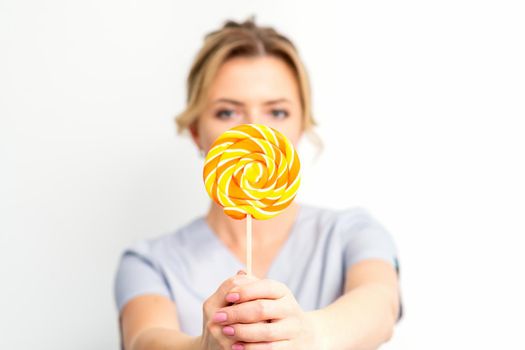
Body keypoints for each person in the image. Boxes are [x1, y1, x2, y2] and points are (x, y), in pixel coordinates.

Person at [114, 18, 402, 350]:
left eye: (277, 113)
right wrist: (204, 347)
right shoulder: (151, 261)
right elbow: (143, 339)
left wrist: (310, 334)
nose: (254, 129)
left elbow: (380, 306)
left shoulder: (351, 232)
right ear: (196, 132)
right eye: (227, 113)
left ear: (301, 126)